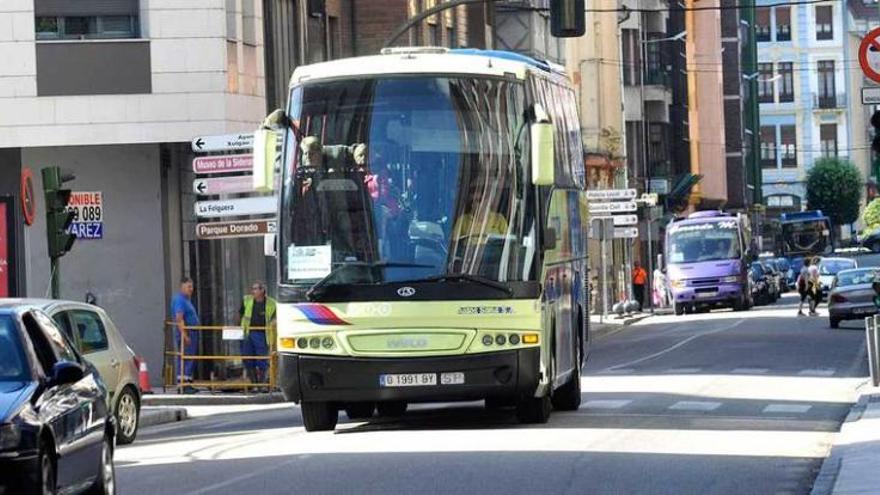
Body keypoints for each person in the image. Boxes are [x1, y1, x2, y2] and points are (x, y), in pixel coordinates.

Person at [239, 281, 277, 384]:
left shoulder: (271, 303)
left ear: (262, 290)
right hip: (248, 333)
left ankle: (262, 383)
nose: (253, 291)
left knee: (262, 359)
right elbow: (240, 315)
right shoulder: (247, 300)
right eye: (253, 289)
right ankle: (254, 383)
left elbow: (274, 319)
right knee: (247, 358)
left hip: (262, 334)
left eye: (255, 289)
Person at [170, 277, 200, 393]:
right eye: (189, 287)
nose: (191, 289)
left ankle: (187, 382)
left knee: (189, 358)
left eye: (192, 287)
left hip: (191, 332)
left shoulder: (186, 299)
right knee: (186, 358)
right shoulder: (180, 300)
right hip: (187, 332)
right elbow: (179, 318)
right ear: (182, 286)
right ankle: (183, 384)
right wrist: (185, 335)